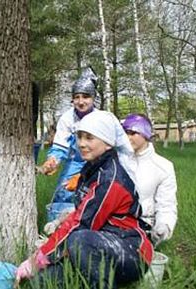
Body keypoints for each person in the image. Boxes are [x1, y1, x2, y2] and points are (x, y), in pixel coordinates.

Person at [16, 111, 153, 289]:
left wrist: (37, 260)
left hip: (130, 250)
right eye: (79, 137)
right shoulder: (92, 167)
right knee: (40, 283)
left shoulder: (110, 180)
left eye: (89, 138)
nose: (82, 144)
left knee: (78, 240)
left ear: (108, 143)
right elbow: (80, 213)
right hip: (97, 244)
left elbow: (81, 224)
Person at [40, 67, 98, 206]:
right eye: (76, 97)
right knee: (63, 194)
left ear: (93, 98)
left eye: (85, 97)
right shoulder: (67, 119)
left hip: (99, 164)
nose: (81, 101)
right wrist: (52, 161)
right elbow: (60, 146)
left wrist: (85, 176)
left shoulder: (101, 119)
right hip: (75, 163)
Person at [122, 113, 177, 246]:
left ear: (145, 134)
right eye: (125, 132)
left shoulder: (163, 167)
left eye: (133, 133)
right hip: (113, 222)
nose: (127, 138)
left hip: (142, 226)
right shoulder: (116, 160)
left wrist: (164, 225)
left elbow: (166, 204)